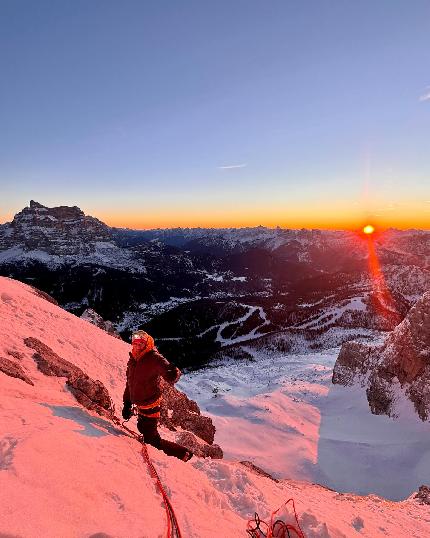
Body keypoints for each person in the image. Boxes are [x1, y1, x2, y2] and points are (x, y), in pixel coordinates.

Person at [122, 330, 193, 462]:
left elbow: (169, 372)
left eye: (141, 344)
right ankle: (181, 453)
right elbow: (129, 384)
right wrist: (127, 403)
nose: (138, 347)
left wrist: (173, 373)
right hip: (141, 405)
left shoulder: (154, 358)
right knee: (143, 429)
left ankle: (184, 454)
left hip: (151, 405)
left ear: (147, 344)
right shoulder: (133, 360)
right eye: (135, 343)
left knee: (152, 440)